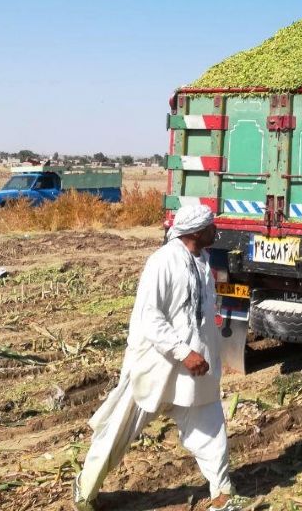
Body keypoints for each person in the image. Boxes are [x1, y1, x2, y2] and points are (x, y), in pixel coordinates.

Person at [74, 205, 246, 511]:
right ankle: (86, 493)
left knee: (210, 429)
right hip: (156, 365)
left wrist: (203, 356)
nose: (214, 230)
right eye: (209, 226)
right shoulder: (163, 262)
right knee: (118, 432)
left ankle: (222, 493)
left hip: (195, 369)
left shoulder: (203, 262)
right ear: (194, 231)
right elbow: (150, 318)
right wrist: (184, 352)